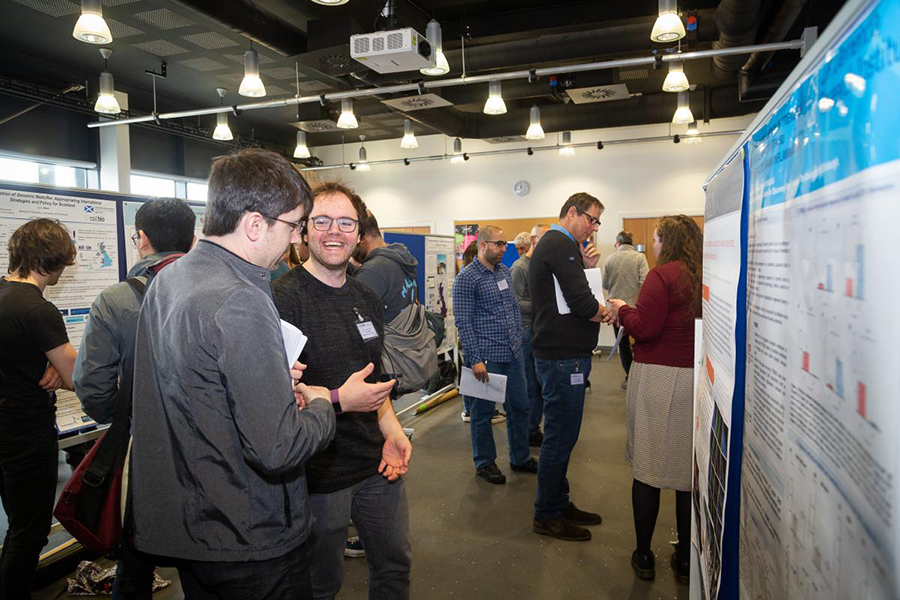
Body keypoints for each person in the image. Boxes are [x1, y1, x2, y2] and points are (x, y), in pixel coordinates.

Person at [129, 149, 390, 599]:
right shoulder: (242, 298)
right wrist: (327, 401)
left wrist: (265, 377)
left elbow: (189, 387)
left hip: (193, 523)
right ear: (254, 224)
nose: (294, 241)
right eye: (293, 227)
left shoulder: (170, 279)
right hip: (246, 533)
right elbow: (278, 447)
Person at [273, 181, 411, 600]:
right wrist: (336, 400)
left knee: (394, 567)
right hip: (317, 474)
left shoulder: (366, 295)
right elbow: (275, 395)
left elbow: (375, 379)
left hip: (375, 464)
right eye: (322, 221)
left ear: (359, 231)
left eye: (346, 222)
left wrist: (393, 431)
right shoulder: (281, 300)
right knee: (321, 585)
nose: (334, 231)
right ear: (304, 230)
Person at [73, 197, 196, 599]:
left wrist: (124, 415)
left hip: (143, 453)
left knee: (135, 562)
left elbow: (92, 388)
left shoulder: (115, 300)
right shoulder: (222, 290)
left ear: (141, 238)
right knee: (208, 563)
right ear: (193, 239)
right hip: (210, 452)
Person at [604, 215, 702, 584]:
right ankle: (685, 557)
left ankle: (644, 555)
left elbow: (644, 327)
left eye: (657, 238)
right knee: (685, 475)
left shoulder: (663, 276)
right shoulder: (702, 274)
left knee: (647, 469)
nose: (654, 244)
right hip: (694, 378)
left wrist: (622, 307)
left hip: (658, 378)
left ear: (669, 241)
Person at [0, 218, 77, 599]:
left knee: (15, 528)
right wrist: (57, 368)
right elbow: (77, 376)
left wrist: (43, 365)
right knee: (30, 534)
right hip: (27, 435)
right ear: (52, 260)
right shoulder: (39, 310)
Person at [529, 192, 606, 541]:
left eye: (597, 222)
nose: (593, 227)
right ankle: (546, 514)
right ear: (572, 212)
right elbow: (580, 301)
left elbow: (574, 290)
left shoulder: (563, 246)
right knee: (560, 437)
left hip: (563, 354)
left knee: (562, 435)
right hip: (562, 357)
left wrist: (589, 270)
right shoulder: (560, 245)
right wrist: (605, 312)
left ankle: (558, 502)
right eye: (591, 219)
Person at [453, 226, 538, 485]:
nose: (503, 249)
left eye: (504, 244)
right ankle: (485, 463)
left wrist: (517, 340)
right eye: (498, 244)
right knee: (482, 413)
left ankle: (520, 457)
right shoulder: (467, 278)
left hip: (512, 354)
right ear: (482, 245)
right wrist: (475, 359)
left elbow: (512, 309)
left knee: (521, 407)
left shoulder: (503, 271)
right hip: (486, 358)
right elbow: (464, 323)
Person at [510, 224, 550, 447]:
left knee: (539, 385)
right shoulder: (519, 268)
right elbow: (514, 303)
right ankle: (527, 430)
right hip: (525, 331)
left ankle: (532, 428)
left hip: (538, 329)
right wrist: (543, 305)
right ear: (534, 241)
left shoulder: (539, 266)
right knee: (530, 385)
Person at [458, 240, 504, 425]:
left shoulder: (497, 273)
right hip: (475, 342)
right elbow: (465, 321)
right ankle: (470, 410)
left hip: (476, 343)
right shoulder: (467, 278)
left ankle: (470, 409)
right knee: (474, 378)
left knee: (472, 377)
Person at [602, 230, 649, 389]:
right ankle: (641, 379)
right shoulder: (640, 258)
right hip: (636, 309)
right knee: (640, 342)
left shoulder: (610, 259)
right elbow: (645, 281)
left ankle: (630, 377)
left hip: (616, 310)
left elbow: (605, 285)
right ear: (631, 242)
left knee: (622, 344)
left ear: (618, 243)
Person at [354, 209, 418, 323]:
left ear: (362, 238)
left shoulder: (371, 272)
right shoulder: (400, 258)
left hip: (386, 339)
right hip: (406, 335)